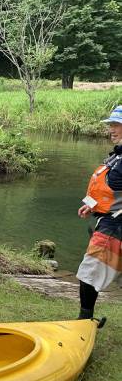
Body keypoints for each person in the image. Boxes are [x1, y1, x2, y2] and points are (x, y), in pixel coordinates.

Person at [75, 104, 122, 319]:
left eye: (117, 125)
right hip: (108, 221)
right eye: (111, 124)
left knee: (89, 275)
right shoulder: (117, 156)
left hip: (115, 228)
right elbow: (108, 190)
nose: (112, 129)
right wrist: (92, 204)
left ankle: (84, 322)